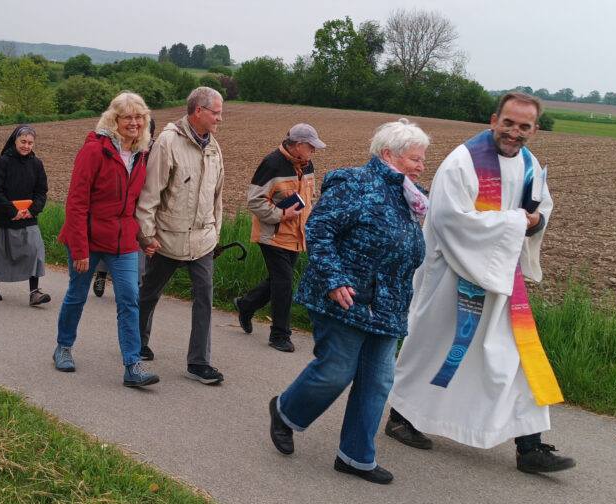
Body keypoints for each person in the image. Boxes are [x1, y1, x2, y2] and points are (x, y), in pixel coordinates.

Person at [385, 92, 574, 474]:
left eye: (524, 126)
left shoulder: (530, 164)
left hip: (503, 283)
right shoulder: (464, 161)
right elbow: (450, 220)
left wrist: (534, 222)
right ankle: (402, 417)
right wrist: (517, 223)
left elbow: (541, 208)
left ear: (534, 130)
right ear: (494, 120)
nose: (514, 132)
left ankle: (529, 447)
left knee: (517, 359)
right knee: (437, 350)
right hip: (454, 279)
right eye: (508, 123)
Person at [267, 118, 431, 485]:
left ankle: (356, 456)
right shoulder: (354, 184)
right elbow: (319, 229)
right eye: (415, 159)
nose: (421, 167)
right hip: (345, 298)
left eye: (422, 159)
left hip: (387, 305)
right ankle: (285, 411)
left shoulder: (410, 196)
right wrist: (334, 279)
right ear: (388, 154)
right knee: (337, 371)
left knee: (378, 380)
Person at [54, 91, 159, 388]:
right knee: (77, 295)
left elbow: (134, 205)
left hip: (122, 241)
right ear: (114, 120)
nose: (135, 123)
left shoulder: (141, 154)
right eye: (128, 117)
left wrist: (144, 239)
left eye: (140, 117)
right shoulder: (93, 151)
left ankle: (132, 365)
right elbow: (76, 203)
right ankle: (63, 347)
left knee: (129, 299)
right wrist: (79, 249)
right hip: (87, 239)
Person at [135, 86, 225, 384]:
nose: (220, 119)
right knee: (149, 292)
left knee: (204, 298)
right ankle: (136, 343)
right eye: (216, 113)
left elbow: (217, 197)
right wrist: (147, 235)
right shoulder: (168, 142)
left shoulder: (214, 147)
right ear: (198, 111)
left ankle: (198, 362)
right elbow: (150, 194)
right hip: (167, 238)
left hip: (202, 240)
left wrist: (214, 233)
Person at [233, 123, 325, 353]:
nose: (314, 151)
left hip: (296, 234)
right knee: (284, 284)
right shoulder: (272, 163)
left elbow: (309, 197)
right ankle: (280, 335)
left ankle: (245, 305)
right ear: (298, 145)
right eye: (311, 146)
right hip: (272, 235)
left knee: (278, 280)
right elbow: (255, 201)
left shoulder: (307, 164)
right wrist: (282, 215)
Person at [0, 125, 51, 306]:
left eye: (30, 143)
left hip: (28, 217)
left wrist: (32, 210)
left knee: (35, 250)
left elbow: (41, 191)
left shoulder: (36, 164)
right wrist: (12, 211)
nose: (26, 146)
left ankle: (34, 292)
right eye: (23, 142)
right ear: (14, 141)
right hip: (4, 216)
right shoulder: (3, 162)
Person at [91, 118, 155, 298]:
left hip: (142, 202)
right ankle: (101, 274)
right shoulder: (124, 147)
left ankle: (134, 284)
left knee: (136, 242)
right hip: (123, 201)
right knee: (112, 238)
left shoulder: (154, 150)